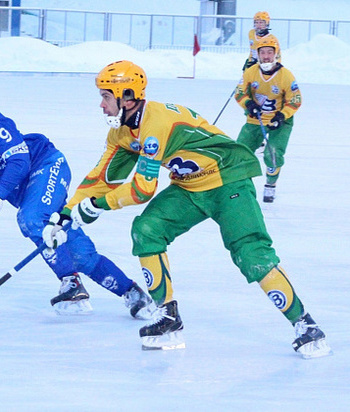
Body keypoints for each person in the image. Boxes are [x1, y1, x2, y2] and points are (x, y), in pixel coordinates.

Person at [42, 60, 331, 359]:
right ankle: (167, 317)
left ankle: (305, 325)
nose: (101, 105)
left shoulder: (156, 124)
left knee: (251, 254)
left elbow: (142, 190)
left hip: (228, 180)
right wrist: (66, 212)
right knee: (147, 230)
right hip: (190, 186)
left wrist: (97, 205)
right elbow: (102, 177)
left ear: (127, 96)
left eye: (105, 96)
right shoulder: (122, 132)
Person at [0, 84, 154, 319]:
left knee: (32, 219)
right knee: (77, 252)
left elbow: (20, 161)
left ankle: (71, 282)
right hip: (26, 193)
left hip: (45, 165)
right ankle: (132, 294)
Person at [235, 37, 301, 203]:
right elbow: (239, 92)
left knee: (272, 155)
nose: (266, 56)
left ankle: (271, 184)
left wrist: (282, 115)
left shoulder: (285, 75)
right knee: (239, 152)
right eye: (262, 52)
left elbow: (295, 99)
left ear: (276, 54)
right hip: (255, 120)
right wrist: (248, 104)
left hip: (278, 122)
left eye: (269, 52)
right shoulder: (251, 72)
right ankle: (243, 186)